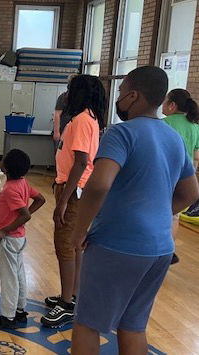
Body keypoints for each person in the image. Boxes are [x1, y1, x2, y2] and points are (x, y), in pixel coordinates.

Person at [70, 66, 199, 354]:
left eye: (120, 93)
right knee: (133, 324)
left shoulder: (121, 133)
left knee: (88, 324)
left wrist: (80, 231)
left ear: (133, 96)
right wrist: (158, 214)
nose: (118, 99)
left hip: (117, 245)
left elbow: (99, 184)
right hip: (160, 248)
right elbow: (191, 193)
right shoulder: (173, 138)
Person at [42, 75, 106, 328]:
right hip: (77, 188)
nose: (67, 95)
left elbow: (81, 162)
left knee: (65, 246)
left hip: (75, 190)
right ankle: (72, 295)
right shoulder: (89, 118)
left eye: (70, 90)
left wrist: (63, 200)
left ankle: (67, 304)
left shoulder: (81, 121)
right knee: (75, 246)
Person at [0, 149, 46, 330]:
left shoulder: (10, 190)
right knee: (18, 274)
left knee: (8, 277)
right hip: (19, 238)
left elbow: (25, 214)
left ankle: (8, 317)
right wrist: (18, 222)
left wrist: (5, 230)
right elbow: (40, 199)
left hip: (10, 240)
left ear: (6, 168)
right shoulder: (23, 183)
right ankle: (20, 311)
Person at [162, 88, 199, 265]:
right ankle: (169, 250)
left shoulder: (164, 124)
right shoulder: (194, 126)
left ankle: (159, 249)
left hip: (167, 175)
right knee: (174, 216)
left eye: (165, 101)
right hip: (186, 177)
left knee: (159, 213)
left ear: (172, 105)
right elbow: (197, 156)